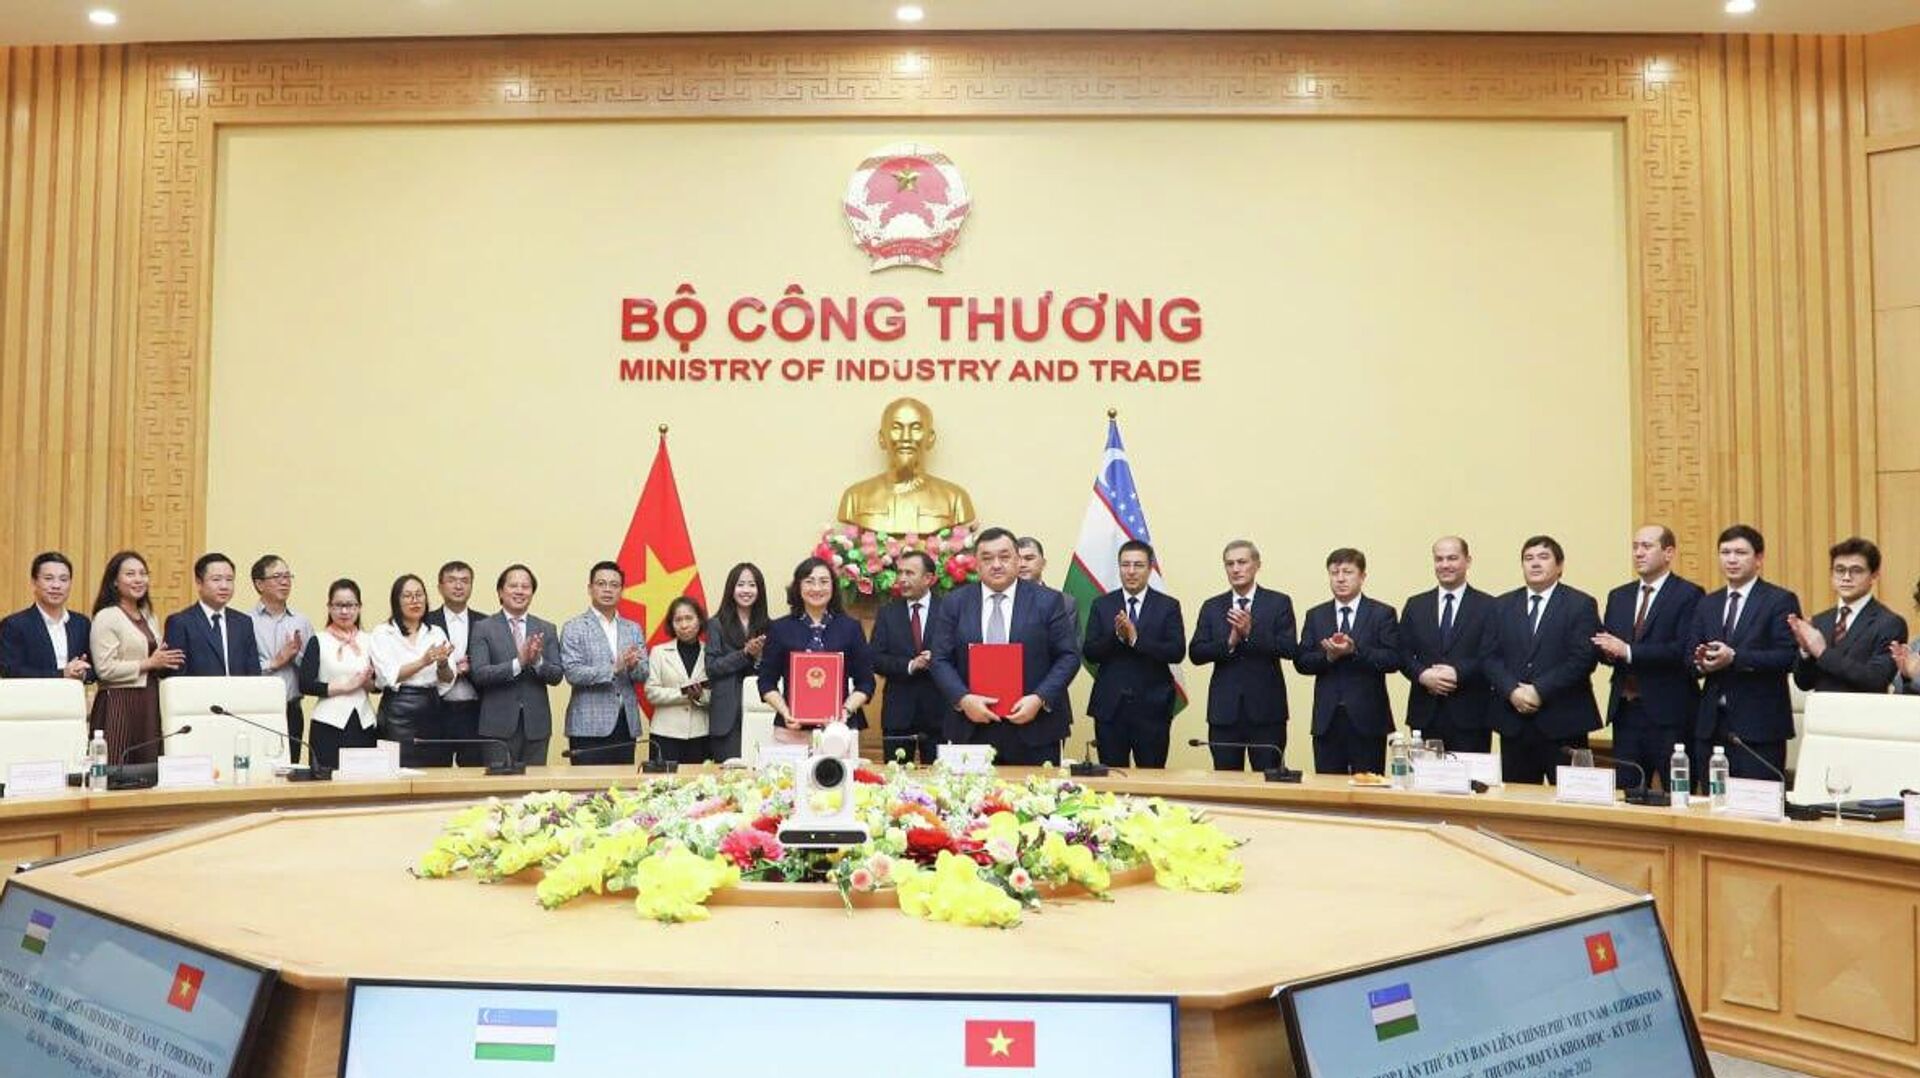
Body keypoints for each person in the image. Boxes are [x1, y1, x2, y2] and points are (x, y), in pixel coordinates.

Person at [929, 527, 1080, 766]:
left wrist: (1039, 698)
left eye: (1004, 556)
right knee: (969, 792)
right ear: (976, 564)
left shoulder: (1048, 601)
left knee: (1036, 792)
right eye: (987, 558)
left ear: (1018, 560)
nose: (996, 565)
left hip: (1035, 728)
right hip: (970, 728)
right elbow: (940, 659)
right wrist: (963, 699)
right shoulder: (954, 603)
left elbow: (1068, 656)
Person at [1591, 526, 1703, 791]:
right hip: (1625, 711)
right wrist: (1606, 652)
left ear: (1669, 553)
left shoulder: (1688, 594)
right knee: (1626, 793)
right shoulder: (1619, 596)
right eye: (1635, 547)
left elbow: (1682, 650)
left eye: (1647, 546)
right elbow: (1612, 646)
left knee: (1677, 793)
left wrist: (1628, 651)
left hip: (1670, 714)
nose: (1638, 553)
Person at [1485, 535, 1603, 785]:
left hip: (1564, 721)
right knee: (1517, 800)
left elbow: (1583, 659)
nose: (1535, 563)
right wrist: (1512, 691)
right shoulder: (1501, 605)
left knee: (1572, 799)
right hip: (1514, 722)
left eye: (1543, 557)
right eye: (1528, 558)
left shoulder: (1580, 604)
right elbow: (1489, 657)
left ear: (1560, 566)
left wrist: (1539, 690)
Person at [1688, 524, 1802, 780]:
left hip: (1759, 726)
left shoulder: (1779, 600)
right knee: (1712, 799)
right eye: (1725, 552)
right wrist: (1702, 662)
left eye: (1740, 553)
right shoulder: (1708, 603)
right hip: (1711, 725)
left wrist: (1735, 658)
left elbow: (1788, 656)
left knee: (1756, 799)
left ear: (1758, 559)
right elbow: (1688, 656)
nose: (1731, 559)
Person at [1188, 539, 1298, 772]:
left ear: (1257, 565)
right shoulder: (1212, 606)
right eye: (1230, 564)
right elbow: (1196, 653)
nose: (1236, 569)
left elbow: (1289, 648)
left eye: (1242, 562)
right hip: (1224, 713)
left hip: (1267, 713)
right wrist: (1229, 643)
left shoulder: (1278, 602)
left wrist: (1250, 634)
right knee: (1226, 782)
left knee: (1268, 781)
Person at [1294, 548, 1402, 775]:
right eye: (1334, 573)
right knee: (1328, 787)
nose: (1340, 579)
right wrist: (1328, 657)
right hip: (1327, 720)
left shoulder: (1381, 613)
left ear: (1362, 576)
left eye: (1348, 572)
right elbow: (1302, 661)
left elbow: (1393, 659)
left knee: (1369, 787)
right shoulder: (1316, 615)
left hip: (1368, 720)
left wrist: (1355, 651)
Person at [1082, 540, 1187, 768]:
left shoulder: (1168, 606)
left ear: (1150, 568)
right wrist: (1117, 637)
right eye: (1125, 565)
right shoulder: (1102, 604)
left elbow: (1176, 651)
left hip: (1153, 709)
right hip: (1110, 708)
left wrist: (1136, 639)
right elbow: (1090, 652)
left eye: (1138, 565)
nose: (1131, 571)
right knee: (1113, 777)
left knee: (1152, 778)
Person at [758, 557, 876, 744]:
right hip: (791, 729)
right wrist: (786, 712)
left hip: (839, 731)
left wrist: (844, 711)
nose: (817, 588)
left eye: (823, 581)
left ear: (833, 587)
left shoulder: (851, 628)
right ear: (798, 586)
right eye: (809, 581)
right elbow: (766, 682)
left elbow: (866, 682)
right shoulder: (779, 629)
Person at [1397, 536, 1494, 756]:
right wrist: (1422, 675)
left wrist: (1458, 673)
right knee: (1424, 776)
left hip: (1471, 715)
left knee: (1470, 777)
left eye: (1452, 558)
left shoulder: (1489, 606)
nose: (1445, 565)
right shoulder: (1416, 605)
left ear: (1468, 561)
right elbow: (1402, 652)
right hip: (1425, 714)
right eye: (1439, 559)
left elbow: (1492, 655)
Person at [87, 551, 183, 764]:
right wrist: (149, 663)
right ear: (114, 581)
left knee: (148, 767)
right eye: (130, 574)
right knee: (116, 767)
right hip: (118, 702)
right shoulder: (107, 616)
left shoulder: (149, 615)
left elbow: (156, 656)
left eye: (143, 573)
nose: (138, 579)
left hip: (149, 699)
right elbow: (104, 669)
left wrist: (164, 662)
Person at [836, 396, 977, 533]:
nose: (906, 437)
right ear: (882, 438)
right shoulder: (855, 498)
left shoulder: (954, 499)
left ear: (930, 438)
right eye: (896, 428)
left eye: (916, 428)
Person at [469, 564, 565, 766]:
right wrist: (518, 663)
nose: (520, 591)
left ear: (532, 593)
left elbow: (557, 675)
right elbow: (479, 674)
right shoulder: (483, 628)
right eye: (513, 586)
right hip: (497, 727)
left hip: (536, 726)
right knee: (499, 784)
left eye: (525, 586)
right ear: (500, 592)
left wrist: (537, 662)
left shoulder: (546, 628)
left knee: (536, 785)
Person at [561, 561, 650, 766]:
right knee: (587, 784)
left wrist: (633, 666)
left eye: (614, 585)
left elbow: (644, 673)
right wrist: (613, 669)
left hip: (625, 723)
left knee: (622, 784)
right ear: (590, 588)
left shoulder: (633, 628)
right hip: (588, 725)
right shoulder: (574, 627)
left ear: (621, 591)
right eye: (601, 584)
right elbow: (572, 672)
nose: (607, 589)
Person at [1790, 537, 1905, 694]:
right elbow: (1803, 683)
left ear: (1874, 575)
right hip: (1821, 708)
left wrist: (1822, 652)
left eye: (1856, 570)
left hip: (1863, 708)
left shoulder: (1890, 623)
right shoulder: (1819, 621)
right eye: (1840, 570)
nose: (1846, 577)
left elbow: (1877, 679)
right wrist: (1806, 651)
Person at [369, 574, 455, 767]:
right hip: (397, 710)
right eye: (408, 596)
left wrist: (442, 664)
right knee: (396, 769)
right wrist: (423, 661)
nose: (415, 601)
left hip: (431, 708)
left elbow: (448, 679)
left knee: (435, 769)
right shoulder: (383, 633)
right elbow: (387, 676)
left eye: (419, 595)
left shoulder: (436, 632)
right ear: (396, 601)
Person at [870, 551, 946, 764]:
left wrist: (937, 658)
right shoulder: (887, 613)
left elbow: (961, 652)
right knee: (895, 777)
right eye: (900, 572)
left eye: (909, 573)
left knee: (940, 777)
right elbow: (875, 658)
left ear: (928, 578)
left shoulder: (948, 609)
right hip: (898, 714)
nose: (902, 579)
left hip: (940, 713)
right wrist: (911, 665)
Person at [297, 579, 378, 770]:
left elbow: (378, 686)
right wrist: (346, 686)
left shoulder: (370, 641)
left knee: (364, 780)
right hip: (328, 724)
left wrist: (367, 682)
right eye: (338, 605)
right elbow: (305, 684)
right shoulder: (319, 640)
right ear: (329, 607)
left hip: (364, 722)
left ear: (359, 607)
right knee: (326, 781)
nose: (344, 611)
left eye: (350, 605)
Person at [247, 554, 313, 762]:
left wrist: (295, 656)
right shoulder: (244, 622)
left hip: (292, 709)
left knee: (291, 768)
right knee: (259, 768)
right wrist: (275, 662)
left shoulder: (302, 621)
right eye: (277, 577)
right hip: (257, 708)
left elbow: (312, 670)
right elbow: (242, 668)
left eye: (288, 576)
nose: (285, 582)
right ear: (259, 584)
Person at [703, 562, 769, 763]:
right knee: (728, 772)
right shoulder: (716, 624)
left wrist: (758, 659)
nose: (746, 590)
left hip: (761, 709)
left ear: (759, 590)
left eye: (752, 585)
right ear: (731, 589)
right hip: (727, 716)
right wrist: (745, 653)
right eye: (741, 585)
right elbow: (712, 667)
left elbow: (772, 671)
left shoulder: (769, 625)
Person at [425, 560, 488, 767]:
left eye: (464, 581)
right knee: (435, 771)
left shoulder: (486, 623)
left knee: (475, 771)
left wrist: (471, 669)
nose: (458, 586)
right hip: (436, 709)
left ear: (471, 586)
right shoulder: (426, 622)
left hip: (475, 710)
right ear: (440, 587)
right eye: (451, 580)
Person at [162, 552, 261, 678]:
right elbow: (175, 676)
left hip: (238, 691)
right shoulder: (180, 622)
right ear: (199, 583)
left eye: (229, 580)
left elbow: (253, 672)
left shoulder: (243, 622)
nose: (224, 586)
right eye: (216, 579)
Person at [0, 552, 92, 679]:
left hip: (73, 692)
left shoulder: (81, 623)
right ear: (34, 582)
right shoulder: (14, 625)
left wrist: (83, 672)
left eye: (63, 579)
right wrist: (62, 674)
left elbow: (94, 668)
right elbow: (10, 670)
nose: (56, 585)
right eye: (48, 578)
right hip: (32, 692)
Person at [645, 596, 713, 764]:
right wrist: (684, 693)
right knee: (663, 780)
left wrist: (700, 696)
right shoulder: (659, 652)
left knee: (700, 780)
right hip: (665, 734)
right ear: (671, 624)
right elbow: (651, 693)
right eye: (678, 620)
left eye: (689, 618)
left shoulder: (711, 652)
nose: (684, 625)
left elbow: (717, 694)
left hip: (701, 733)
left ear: (699, 620)